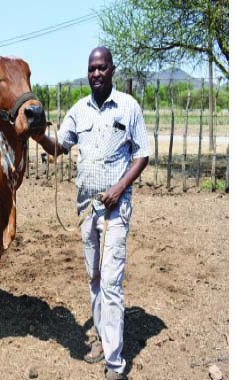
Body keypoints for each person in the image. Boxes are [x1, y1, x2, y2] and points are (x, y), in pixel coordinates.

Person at [33, 47, 151, 380]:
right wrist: (39, 133)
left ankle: (114, 364)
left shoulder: (128, 107)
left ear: (112, 69)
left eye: (101, 68)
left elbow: (142, 154)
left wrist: (120, 187)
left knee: (112, 283)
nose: (96, 73)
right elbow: (59, 147)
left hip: (116, 208)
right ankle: (102, 336)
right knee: (95, 279)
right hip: (86, 208)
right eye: (91, 69)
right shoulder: (78, 111)